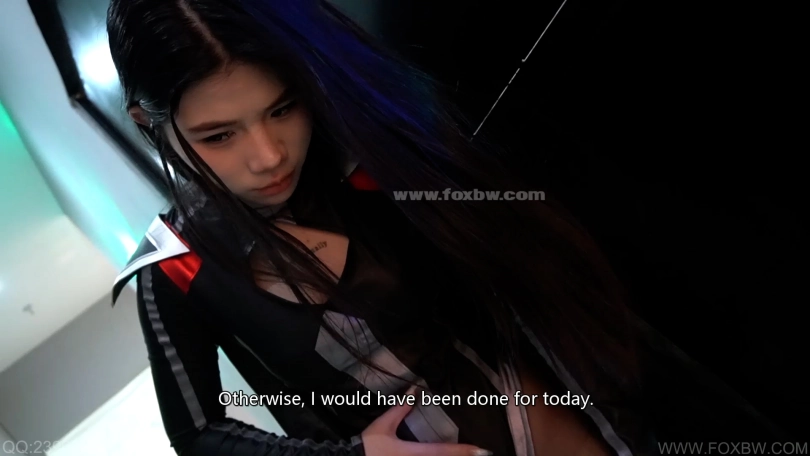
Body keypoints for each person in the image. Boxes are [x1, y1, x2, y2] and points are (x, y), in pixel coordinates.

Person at [106, 0, 787, 455]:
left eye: (283, 109)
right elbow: (198, 432)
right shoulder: (176, 267)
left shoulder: (361, 157)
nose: (268, 156)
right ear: (148, 123)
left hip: (562, 411)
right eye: (219, 135)